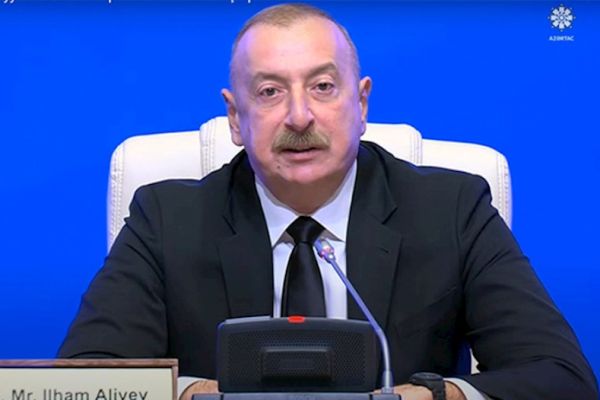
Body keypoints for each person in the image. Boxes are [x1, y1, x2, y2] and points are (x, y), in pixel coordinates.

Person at [58, 3, 598, 400]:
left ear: (361, 104)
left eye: (322, 87)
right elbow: (85, 379)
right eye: (269, 92)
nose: (299, 117)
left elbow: (561, 378)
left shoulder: (452, 209)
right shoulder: (166, 219)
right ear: (235, 118)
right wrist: (207, 395)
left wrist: (426, 396)